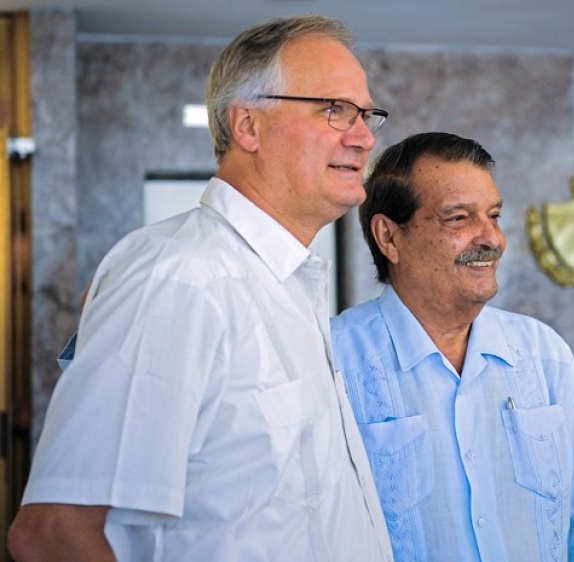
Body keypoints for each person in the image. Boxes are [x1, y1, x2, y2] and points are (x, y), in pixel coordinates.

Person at [8, 15, 394, 562]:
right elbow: (53, 535)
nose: (363, 136)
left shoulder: (284, 285)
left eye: (366, 114)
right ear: (248, 127)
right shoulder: (181, 277)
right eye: (334, 110)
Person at [331, 132, 574, 562]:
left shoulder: (544, 354)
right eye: (458, 218)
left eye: (494, 215)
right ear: (389, 238)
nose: (492, 238)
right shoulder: (333, 360)